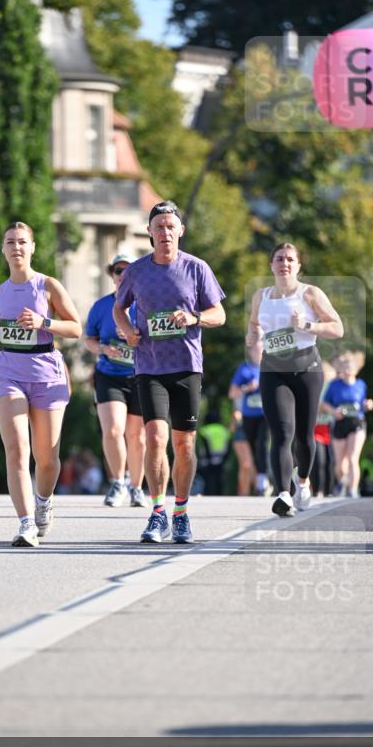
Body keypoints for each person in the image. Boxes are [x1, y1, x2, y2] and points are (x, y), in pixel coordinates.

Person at [113, 201, 226, 543]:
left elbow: (219, 314)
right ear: (149, 232)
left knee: (185, 444)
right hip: (149, 366)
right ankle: (157, 511)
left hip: (186, 366)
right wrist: (128, 331)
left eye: (170, 226)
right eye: (158, 226)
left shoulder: (196, 268)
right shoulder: (136, 271)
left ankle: (181, 512)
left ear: (180, 231)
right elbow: (120, 308)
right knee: (156, 438)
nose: (164, 232)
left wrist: (194, 318)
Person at [0, 221, 81, 547]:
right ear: (3, 249)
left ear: (32, 247)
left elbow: (76, 328)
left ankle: (43, 503)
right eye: (10, 242)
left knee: (46, 457)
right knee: (17, 448)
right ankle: (25, 523)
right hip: (7, 372)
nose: (16, 247)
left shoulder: (48, 286)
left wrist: (44, 322)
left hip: (47, 372)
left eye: (22, 242)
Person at [246, 242, 344, 517]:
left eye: (290, 259)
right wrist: (252, 337)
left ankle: (302, 483)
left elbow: (338, 328)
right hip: (273, 370)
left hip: (307, 370)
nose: (284, 263)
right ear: (271, 265)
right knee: (281, 434)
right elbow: (254, 325)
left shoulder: (310, 293)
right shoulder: (261, 296)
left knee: (303, 436)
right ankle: (283, 494)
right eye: (279, 258)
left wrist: (307, 325)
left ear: (298, 266)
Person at [84, 252, 148, 508]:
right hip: (109, 375)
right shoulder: (101, 306)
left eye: (128, 270)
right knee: (113, 430)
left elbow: (160, 337)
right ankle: (118, 482)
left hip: (141, 375)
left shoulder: (145, 303)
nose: (123, 275)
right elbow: (88, 339)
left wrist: (135, 335)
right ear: (112, 275)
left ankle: (137, 487)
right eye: (118, 270)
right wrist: (103, 349)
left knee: (138, 436)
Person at [320, 351, 373, 498]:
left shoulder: (361, 385)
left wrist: (368, 404)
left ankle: (353, 490)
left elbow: (364, 403)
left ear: (356, 369)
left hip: (356, 423)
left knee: (352, 458)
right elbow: (324, 404)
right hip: (340, 423)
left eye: (350, 367)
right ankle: (343, 481)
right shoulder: (334, 385)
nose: (348, 371)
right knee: (340, 463)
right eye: (345, 367)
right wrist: (333, 411)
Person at [229, 340, 270, 496]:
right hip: (248, 415)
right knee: (252, 448)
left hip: (265, 414)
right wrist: (248, 388)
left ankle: (262, 479)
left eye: (262, 350)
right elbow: (232, 393)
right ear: (251, 352)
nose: (259, 353)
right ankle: (253, 487)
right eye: (256, 350)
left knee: (263, 444)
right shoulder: (244, 369)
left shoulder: (270, 368)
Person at [310, 359, 335, 498]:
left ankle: (329, 491)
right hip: (316, 428)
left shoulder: (333, 386)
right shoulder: (314, 386)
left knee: (330, 462)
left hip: (329, 428)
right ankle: (318, 490)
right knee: (319, 460)